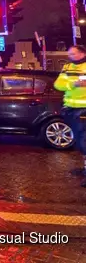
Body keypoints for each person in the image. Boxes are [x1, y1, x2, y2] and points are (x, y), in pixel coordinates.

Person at [54, 45, 86, 186]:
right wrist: (74, 84)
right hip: (71, 109)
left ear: (82, 53)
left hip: (84, 108)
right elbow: (58, 84)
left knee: (84, 141)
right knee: (79, 141)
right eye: (69, 54)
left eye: (73, 54)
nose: (70, 56)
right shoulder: (67, 67)